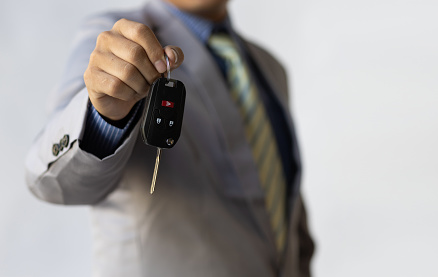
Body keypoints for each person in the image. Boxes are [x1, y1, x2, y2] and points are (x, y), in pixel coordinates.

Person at [24, 0, 315, 276]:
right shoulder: (115, 40)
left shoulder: (270, 69)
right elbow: (49, 180)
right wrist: (104, 117)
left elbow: (287, 218)